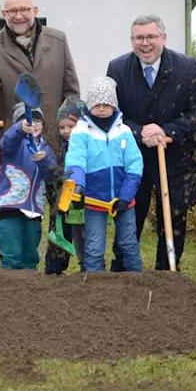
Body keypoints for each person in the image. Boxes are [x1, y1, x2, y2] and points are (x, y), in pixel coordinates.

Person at [106, 14, 196, 271]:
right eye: (139, 38)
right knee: (130, 213)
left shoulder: (187, 67)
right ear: (131, 40)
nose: (145, 43)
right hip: (132, 157)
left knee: (173, 216)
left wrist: (165, 130)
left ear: (163, 37)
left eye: (151, 36)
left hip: (174, 156)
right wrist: (139, 131)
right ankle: (122, 271)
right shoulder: (117, 69)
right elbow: (110, 113)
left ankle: (167, 272)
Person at [0, 0, 81, 149]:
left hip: (55, 140)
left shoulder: (58, 40)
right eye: (12, 11)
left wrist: (72, 125)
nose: (18, 16)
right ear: (4, 14)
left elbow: (70, 91)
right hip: (14, 144)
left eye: (24, 9)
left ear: (34, 11)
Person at [64, 78, 143, 273]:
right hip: (94, 199)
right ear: (89, 105)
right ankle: (94, 286)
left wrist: (126, 196)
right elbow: (76, 159)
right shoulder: (81, 132)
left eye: (106, 104)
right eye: (97, 104)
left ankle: (138, 283)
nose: (101, 109)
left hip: (123, 200)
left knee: (129, 244)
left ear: (114, 105)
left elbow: (135, 165)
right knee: (94, 247)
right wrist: (77, 185)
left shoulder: (123, 132)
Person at [0, 101, 58, 270]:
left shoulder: (46, 149)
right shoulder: (14, 145)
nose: (34, 125)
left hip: (33, 211)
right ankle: (8, 291)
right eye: (29, 121)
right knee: (11, 257)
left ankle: (30, 292)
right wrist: (20, 129)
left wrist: (44, 161)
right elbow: (6, 142)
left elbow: (52, 175)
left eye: (38, 121)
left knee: (30, 257)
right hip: (9, 208)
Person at [45, 96, 88, 275]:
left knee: (83, 239)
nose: (66, 131)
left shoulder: (87, 145)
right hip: (61, 203)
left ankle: (88, 270)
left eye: (71, 126)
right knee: (58, 236)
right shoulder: (59, 147)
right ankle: (54, 271)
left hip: (82, 204)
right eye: (62, 127)